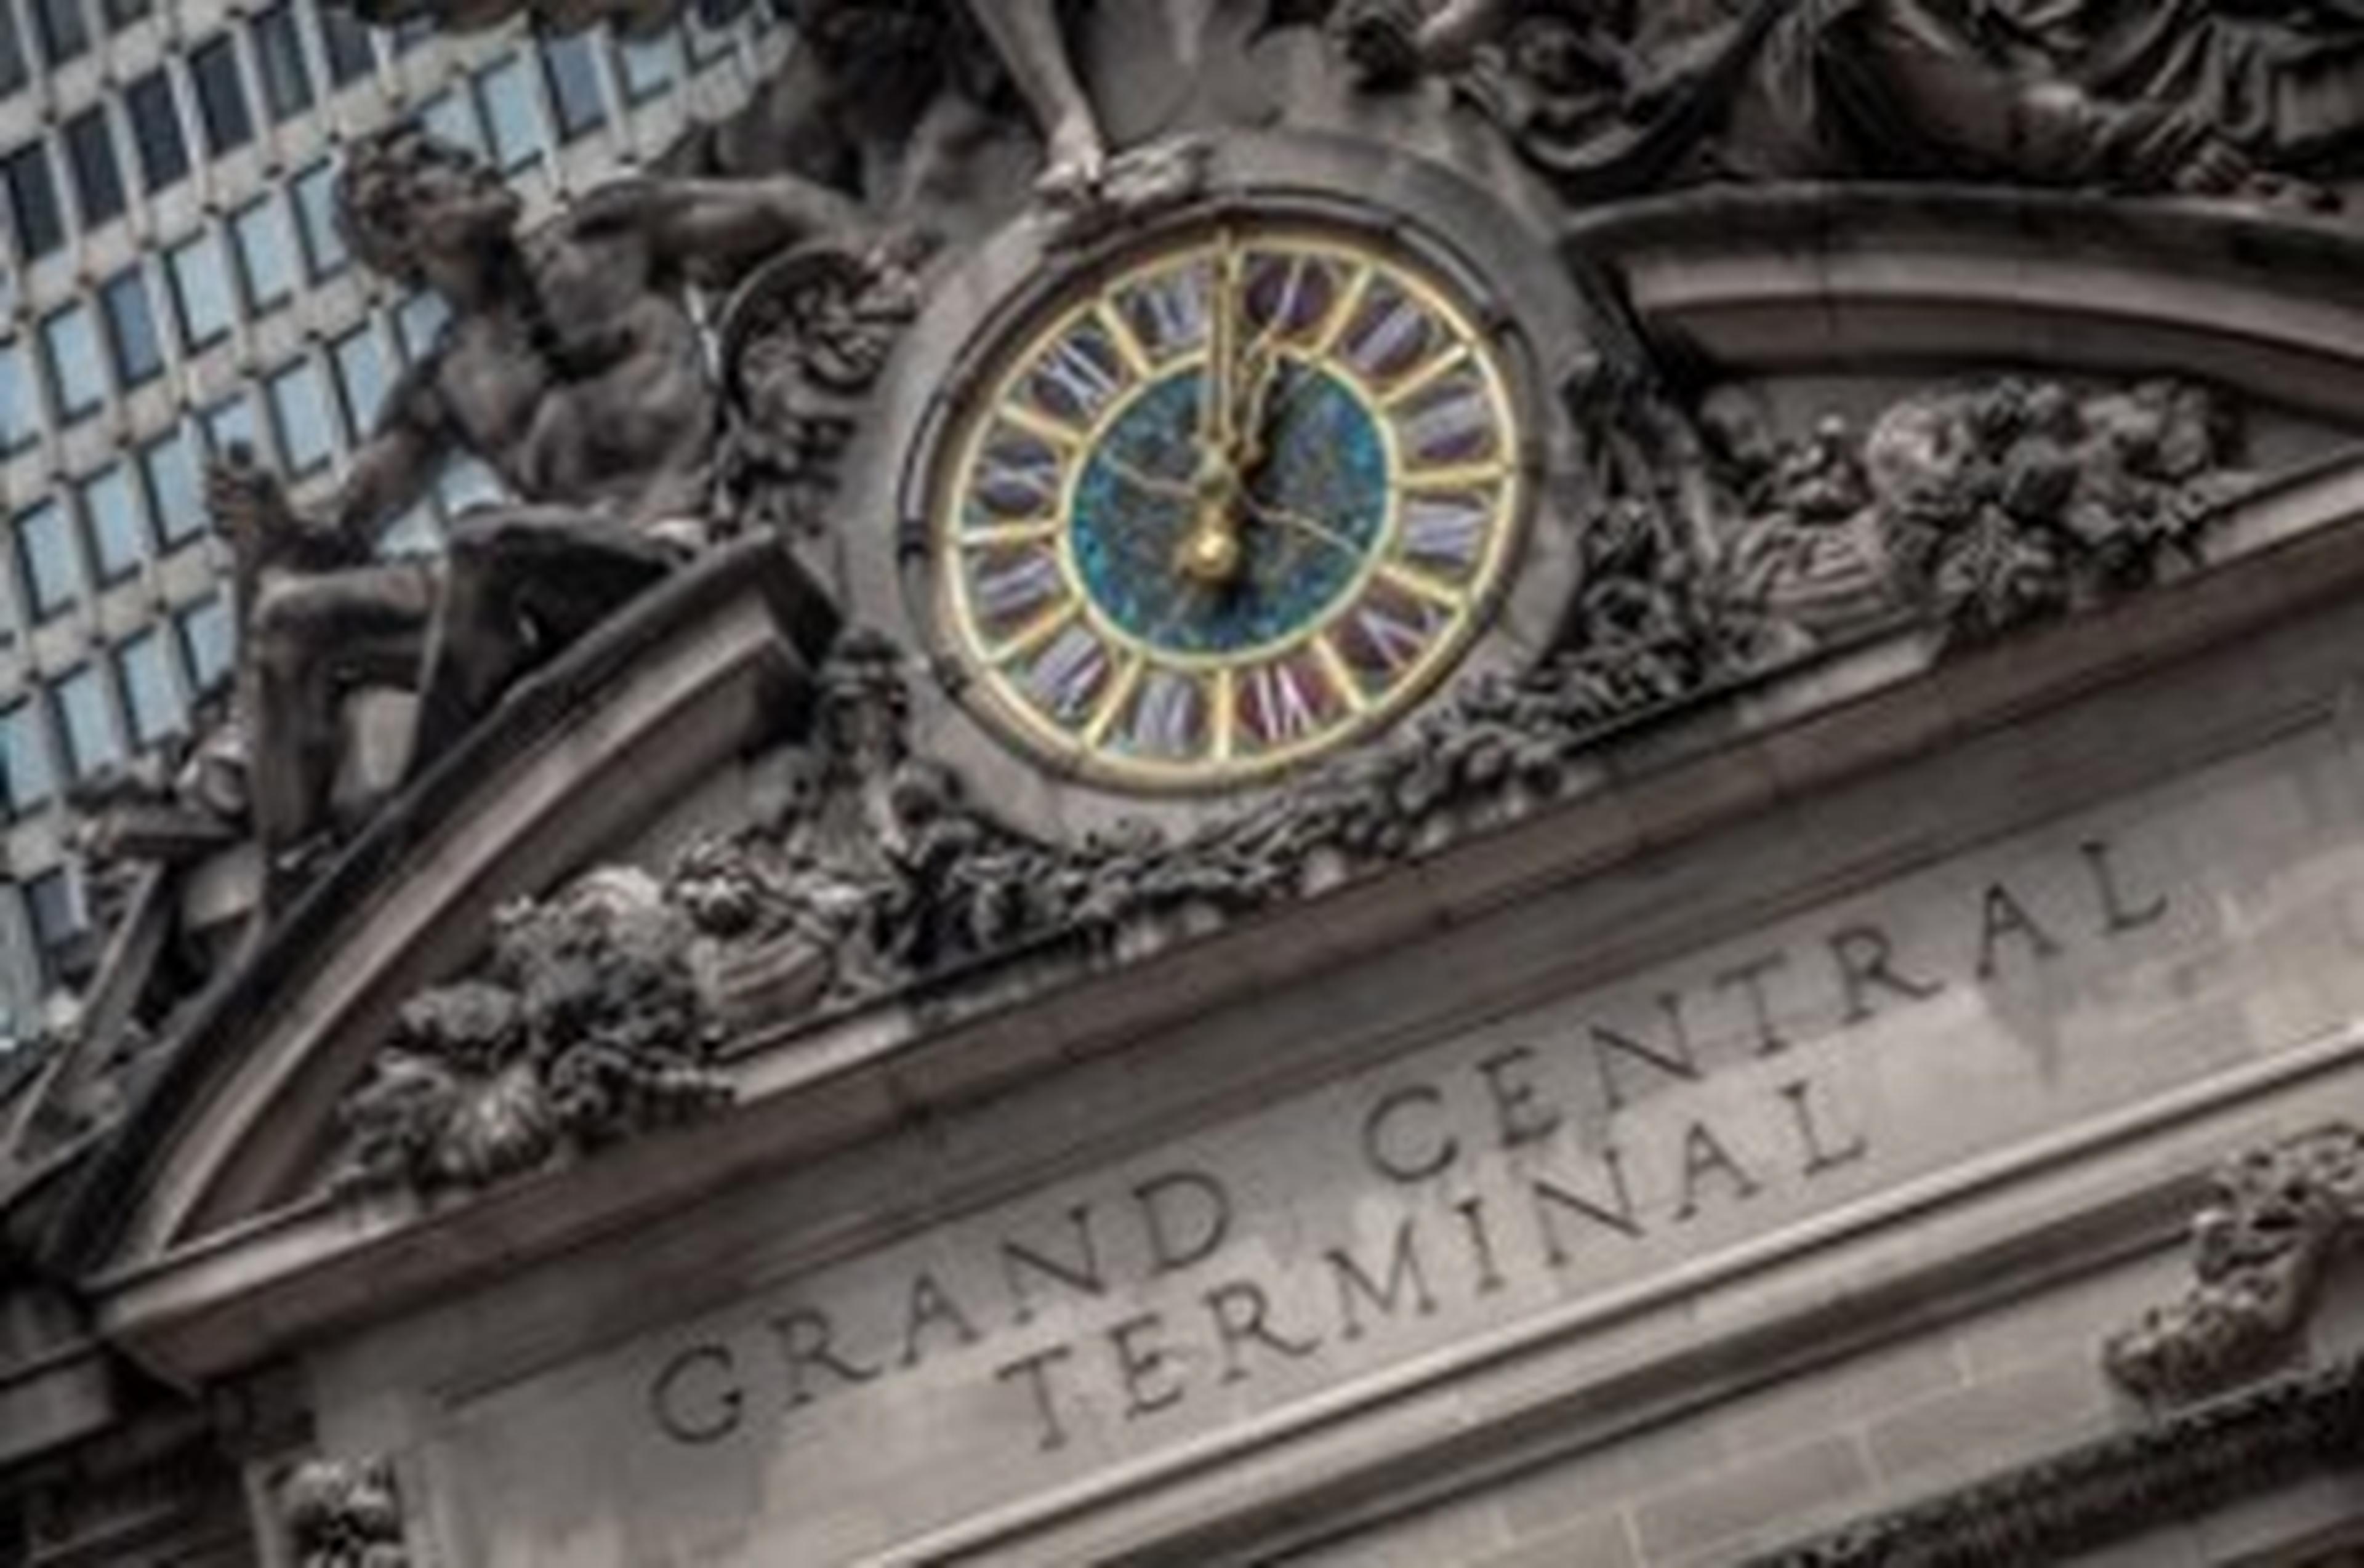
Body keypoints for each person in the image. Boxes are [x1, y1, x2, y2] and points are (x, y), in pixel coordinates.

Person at [207, 124, 868, 873]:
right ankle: (295, 887)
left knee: (486, 543)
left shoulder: (608, 236)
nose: (481, 160)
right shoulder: (443, 384)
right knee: (286, 622)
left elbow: (786, 205)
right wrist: (268, 521)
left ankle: (425, 822)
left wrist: (883, 262)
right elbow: (341, 531)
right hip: (542, 583)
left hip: (676, 538)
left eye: (461, 152)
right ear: (400, 233)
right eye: (442, 164)